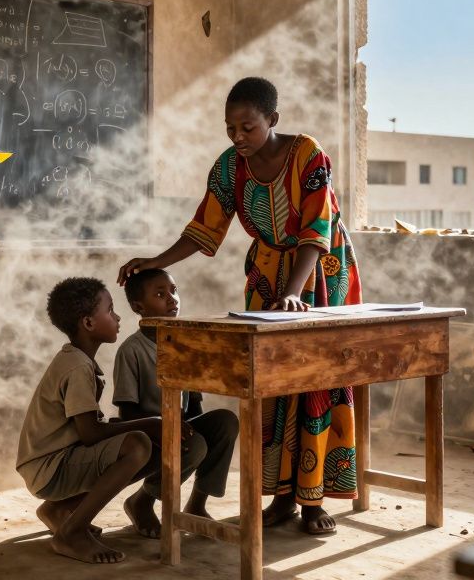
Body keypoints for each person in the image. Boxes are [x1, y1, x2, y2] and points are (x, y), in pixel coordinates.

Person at [116, 77, 362, 535]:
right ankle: (281, 496)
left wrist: (294, 291)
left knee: (316, 383)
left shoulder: (309, 155)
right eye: (230, 128)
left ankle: (313, 501)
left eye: (247, 127)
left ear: (272, 120)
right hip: (265, 278)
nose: (237, 137)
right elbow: (204, 230)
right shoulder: (230, 167)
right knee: (269, 386)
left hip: (317, 276)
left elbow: (316, 232)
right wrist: (155, 260)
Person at [15, 277, 187, 563]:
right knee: (138, 445)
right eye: (110, 311)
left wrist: (153, 424)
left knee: (152, 445)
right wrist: (149, 423)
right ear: (88, 323)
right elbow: (91, 434)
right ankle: (72, 532)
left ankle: (58, 511)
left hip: (53, 462)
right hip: (50, 469)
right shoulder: (77, 368)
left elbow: (91, 429)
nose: (118, 317)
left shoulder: (79, 360)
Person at [112, 267, 238, 538]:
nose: (172, 299)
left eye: (174, 290)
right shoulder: (131, 351)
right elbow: (126, 410)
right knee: (195, 444)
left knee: (226, 423)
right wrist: (166, 427)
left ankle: (196, 505)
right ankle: (142, 500)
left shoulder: (183, 343)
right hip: (148, 430)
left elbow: (193, 401)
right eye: (160, 294)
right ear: (138, 306)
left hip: (179, 424)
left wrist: (198, 428)